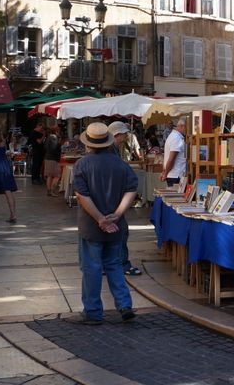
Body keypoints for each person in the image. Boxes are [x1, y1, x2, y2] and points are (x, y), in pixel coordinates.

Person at [71, 122, 139, 325]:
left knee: (91, 268)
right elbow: (131, 190)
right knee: (114, 265)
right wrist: (116, 215)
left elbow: (82, 196)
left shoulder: (82, 165)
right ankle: (125, 305)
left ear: (88, 143)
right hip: (116, 226)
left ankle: (93, 312)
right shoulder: (121, 165)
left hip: (91, 226)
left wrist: (100, 219)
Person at [108, 121, 143, 276]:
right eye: (123, 135)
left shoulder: (107, 150)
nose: (124, 137)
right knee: (121, 231)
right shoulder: (111, 151)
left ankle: (108, 264)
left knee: (114, 232)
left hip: (109, 197)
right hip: (113, 198)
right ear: (116, 135)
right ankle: (123, 265)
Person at [160, 117, 187, 186]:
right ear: (182, 126)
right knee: (176, 196)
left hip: (174, 174)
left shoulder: (174, 136)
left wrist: (164, 172)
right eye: (187, 127)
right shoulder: (176, 138)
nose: (188, 130)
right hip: (176, 175)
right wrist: (165, 173)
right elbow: (171, 159)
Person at [44, 125, 62, 197]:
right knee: (57, 176)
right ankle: (52, 190)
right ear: (56, 131)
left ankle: (49, 191)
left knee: (49, 176)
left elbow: (45, 147)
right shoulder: (54, 137)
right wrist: (59, 142)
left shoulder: (49, 137)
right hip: (53, 159)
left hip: (48, 158)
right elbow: (54, 148)